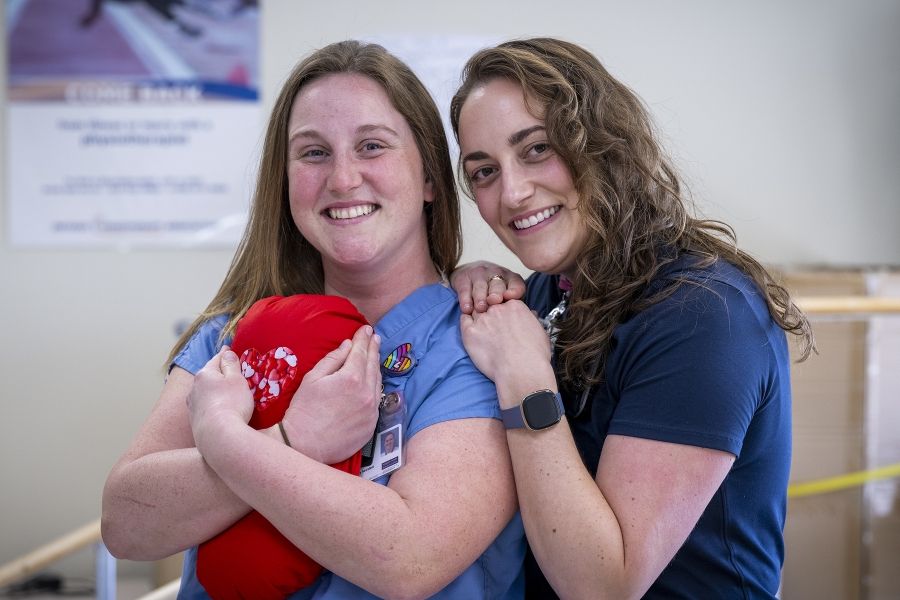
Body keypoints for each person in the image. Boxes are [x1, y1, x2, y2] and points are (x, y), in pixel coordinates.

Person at [101, 40, 524, 600]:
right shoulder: (233, 336)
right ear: (284, 180)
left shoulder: (481, 340)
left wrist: (230, 441)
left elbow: (409, 558)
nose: (343, 179)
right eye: (313, 153)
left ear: (428, 178)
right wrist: (294, 438)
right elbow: (126, 524)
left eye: (372, 146)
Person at [448, 37, 814, 599]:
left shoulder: (701, 315)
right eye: (484, 172)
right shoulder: (551, 292)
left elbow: (603, 587)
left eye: (538, 148)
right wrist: (470, 282)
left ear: (600, 142)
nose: (512, 192)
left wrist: (524, 379)